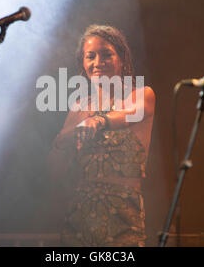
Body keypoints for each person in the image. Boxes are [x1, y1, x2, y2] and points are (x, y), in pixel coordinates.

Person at [47, 25, 155, 246]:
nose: (98, 62)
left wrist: (99, 120)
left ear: (122, 59)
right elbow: (53, 169)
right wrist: (61, 142)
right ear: (83, 64)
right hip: (79, 218)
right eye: (91, 56)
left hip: (123, 218)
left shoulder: (141, 95)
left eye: (107, 55)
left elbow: (131, 114)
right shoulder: (79, 107)